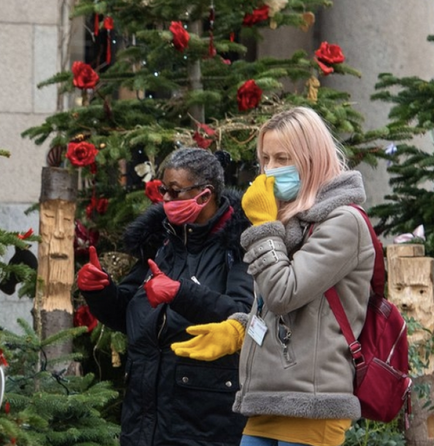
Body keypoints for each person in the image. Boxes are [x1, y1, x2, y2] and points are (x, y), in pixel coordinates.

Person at [171, 107, 375, 446]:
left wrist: (264, 228)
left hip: (313, 401)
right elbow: (274, 303)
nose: (271, 170)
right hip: (267, 397)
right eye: (266, 158)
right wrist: (239, 328)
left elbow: (284, 293)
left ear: (313, 158)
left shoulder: (343, 222)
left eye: (283, 158)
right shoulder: (291, 222)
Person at [77, 147, 254, 446]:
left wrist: (181, 293)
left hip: (205, 424)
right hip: (143, 420)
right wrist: (100, 291)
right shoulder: (161, 241)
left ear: (205, 195)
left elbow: (242, 317)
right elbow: (129, 315)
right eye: (163, 191)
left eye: (174, 192)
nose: (165, 201)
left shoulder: (239, 245)